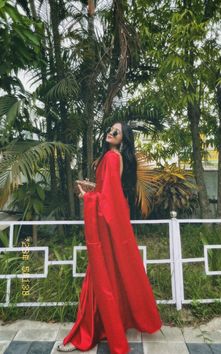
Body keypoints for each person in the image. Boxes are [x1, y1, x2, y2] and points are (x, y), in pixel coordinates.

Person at [57, 122, 162, 353]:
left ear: (122, 140)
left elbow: (109, 197)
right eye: (110, 130)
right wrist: (93, 189)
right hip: (111, 220)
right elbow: (108, 190)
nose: (110, 133)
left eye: (116, 132)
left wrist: (87, 198)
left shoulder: (113, 158)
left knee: (101, 275)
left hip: (107, 223)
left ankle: (89, 332)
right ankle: (105, 324)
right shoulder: (112, 157)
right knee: (108, 273)